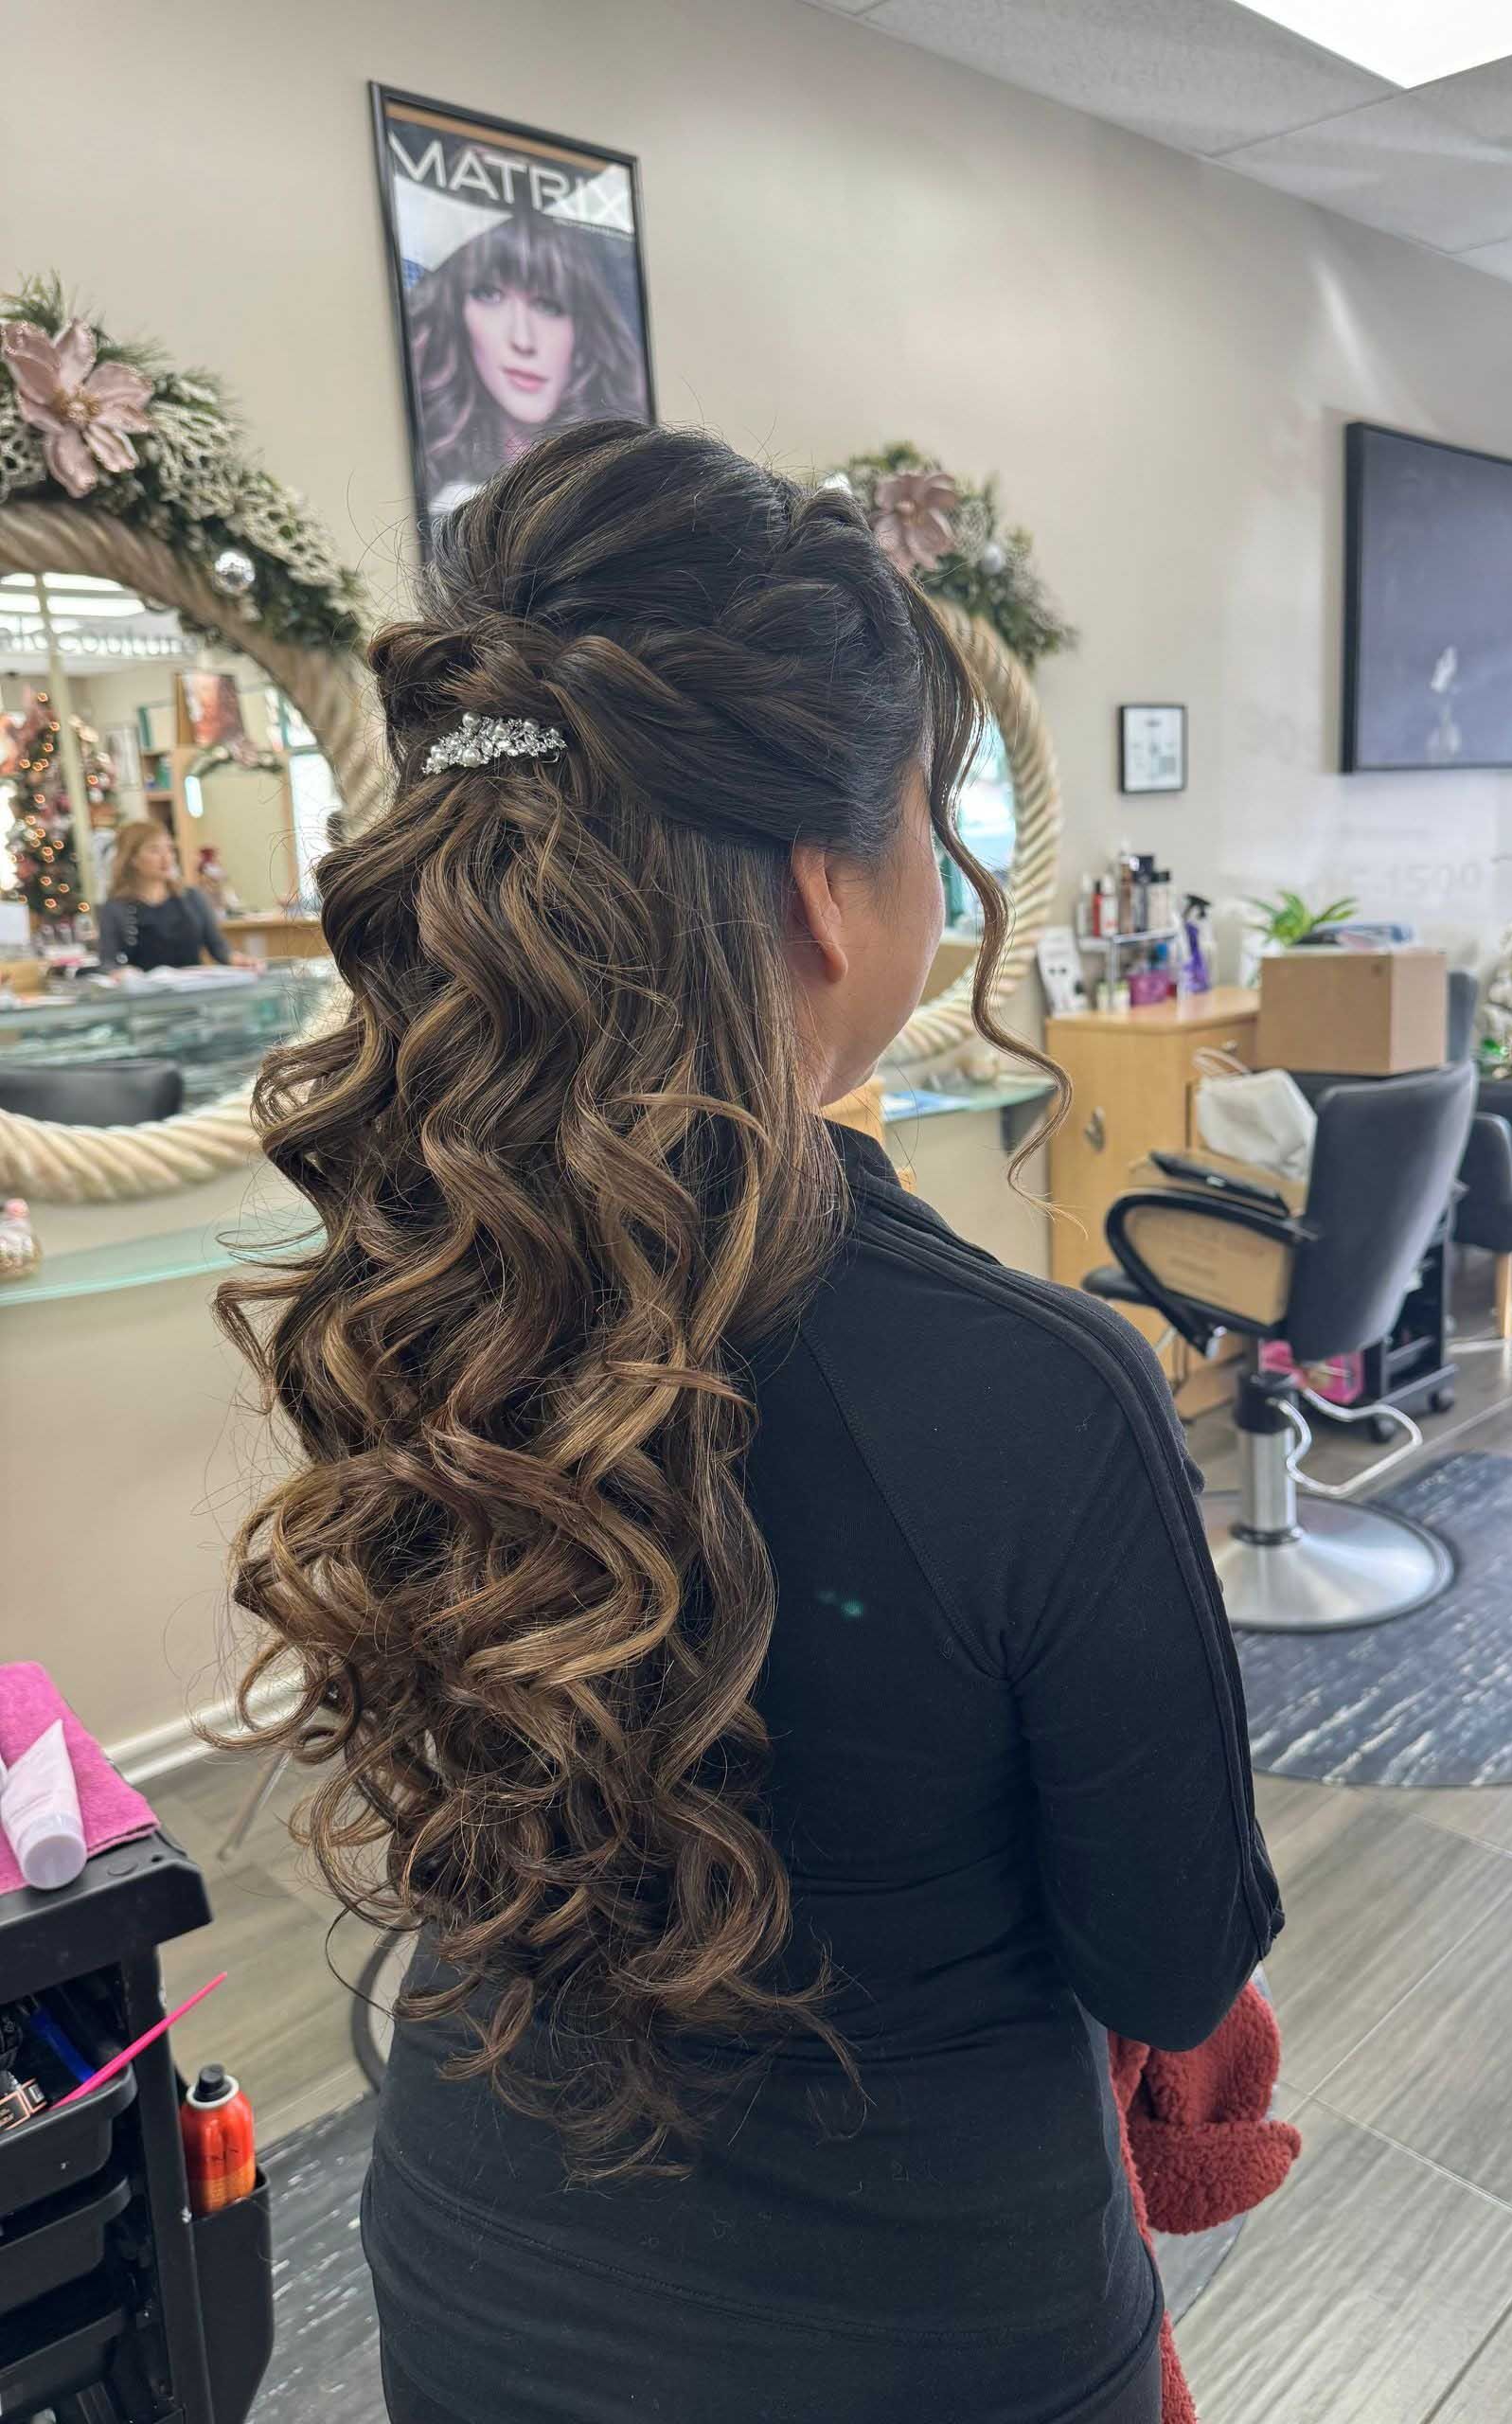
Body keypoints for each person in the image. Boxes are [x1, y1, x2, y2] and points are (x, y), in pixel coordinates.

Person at [219, 420, 1281, 2424]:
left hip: (472, 2288)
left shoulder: (414, 1286)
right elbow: (1168, 1964)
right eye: (927, 816)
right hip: (932, 2347)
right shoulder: (1044, 1394)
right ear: (824, 889)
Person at [409, 216, 651, 515]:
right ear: (455, 315)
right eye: (490, 295)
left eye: (548, 306)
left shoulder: (624, 485)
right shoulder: (447, 502)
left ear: (583, 330)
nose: (522, 340)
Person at [96, 822, 257, 971]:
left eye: (170, 849)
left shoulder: (193, 898)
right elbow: (108, 963)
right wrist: (119, 973)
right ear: (132, 859)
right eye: (154, 850)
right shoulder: (114, 909)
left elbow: (220, 950)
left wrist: (241, 961)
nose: (166, 858)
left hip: (193, 989)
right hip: (146, 992)